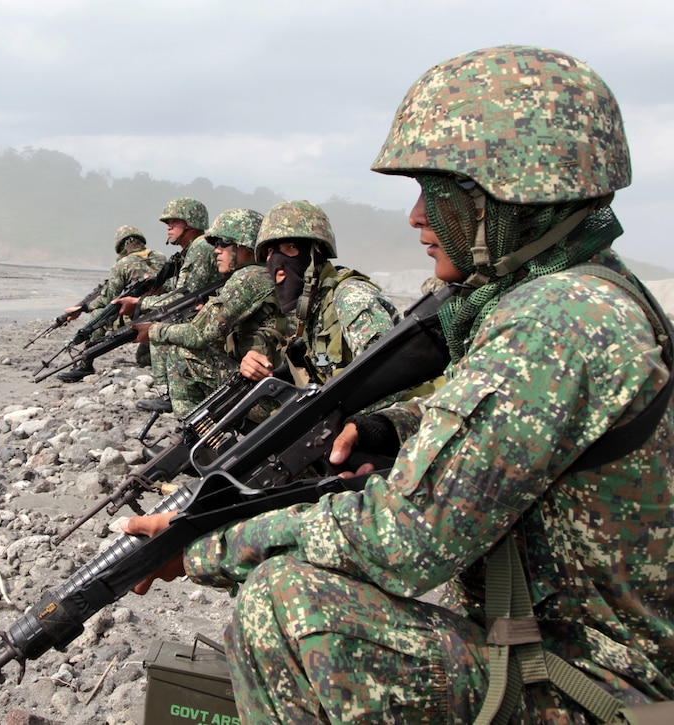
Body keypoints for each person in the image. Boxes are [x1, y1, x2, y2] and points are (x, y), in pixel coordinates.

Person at [126, 45, 673, 723]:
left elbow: (407, 537)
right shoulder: (576, 293)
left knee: (282, 600)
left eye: (434, 191)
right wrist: (389, 430)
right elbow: (496, 426)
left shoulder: (558, 320)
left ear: (506, 196)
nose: (416, 216)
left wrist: (203, 544)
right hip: (554, 653)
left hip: (600, 689)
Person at [131, 208, 286, 418]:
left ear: (246, 245)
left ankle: (196, 430)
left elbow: (198, 334)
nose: (216, 250)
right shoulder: (261, 273)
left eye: (223, 242)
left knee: (181, 354)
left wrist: (153, 331)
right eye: (214, 244)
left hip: (268, 399)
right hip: (274, 388)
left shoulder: (249, 278)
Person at [238, 200, 400, 389]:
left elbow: (389, 375)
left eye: (290, 248)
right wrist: (262, 370)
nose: (277, 264)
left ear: (317, 254)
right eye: (270, 252)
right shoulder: (314, 309)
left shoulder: (350, 297)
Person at [114, 197, 224, 413]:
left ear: (192, 223)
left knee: (161, 327)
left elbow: (186, 298)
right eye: (168, 222)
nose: (169, 227)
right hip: (208, 316)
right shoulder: (190, 250)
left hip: (210, 321)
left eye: (175, 221)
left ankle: (170, 394)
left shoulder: (200, 247)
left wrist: (140, 302)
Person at [57, 224, 166, 382]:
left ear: (122, 246)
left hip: (138, 317)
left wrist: (83, 308)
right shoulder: (160, 257)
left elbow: (109, 299)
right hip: (164, 314)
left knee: (98, 314)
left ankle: (86, 364)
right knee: (142, 359)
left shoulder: (123, 264)